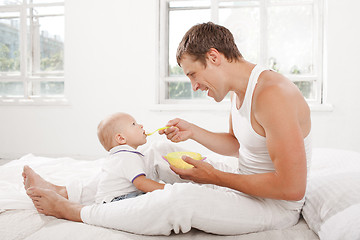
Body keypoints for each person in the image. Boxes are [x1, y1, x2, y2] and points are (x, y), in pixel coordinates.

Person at [24, 22, 312, 236]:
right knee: (158, 150)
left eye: (193, 75)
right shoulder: (242, 90)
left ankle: (77, 211)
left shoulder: (273, 94)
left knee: (179, 199)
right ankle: (67, 190)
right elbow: (239, 145)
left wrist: (214, 177)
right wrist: (193, 131)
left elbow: (290, 187)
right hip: (247, 183)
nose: (194, 86)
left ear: (213, 57)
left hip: (273, 206)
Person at [94, 112, 164, 203]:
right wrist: (167, 189)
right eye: (134, 124)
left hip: (106, 201)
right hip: (115, 201)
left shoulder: (118, 156)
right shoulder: (127, 156)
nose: (141, 126)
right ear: (121, 138)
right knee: (153, 199)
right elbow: (141, 183)